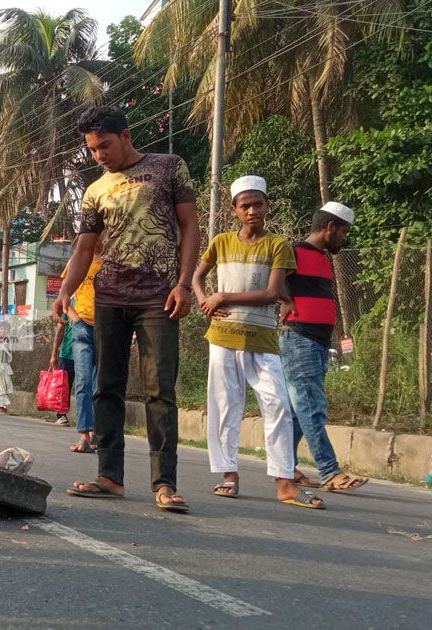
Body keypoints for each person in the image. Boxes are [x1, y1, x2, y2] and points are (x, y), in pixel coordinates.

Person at [55, 106, 196, 513]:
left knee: (159, 391)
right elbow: (84, 248)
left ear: (126, 136)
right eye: (93, 149)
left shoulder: (168, 167)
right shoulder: (95, 191)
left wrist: (184, 284)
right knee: (106, 387)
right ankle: (109, 476)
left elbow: (190, 226)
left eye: (105, 146)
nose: (100, 155)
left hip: (159, 296)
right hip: (109, 297)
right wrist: (66, 290)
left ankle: (165, 483)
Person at [192, 175, 323, 509]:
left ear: (266, 207)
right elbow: (196, 276)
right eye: (245, 205)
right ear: (234, 209)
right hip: (222, 336)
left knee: (277, 403)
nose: (252, 211)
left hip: (262, 338)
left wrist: (221, 296)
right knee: (224, 404)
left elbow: (271, 293)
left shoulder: (277, 245)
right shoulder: (221, 242)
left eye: (258, 204)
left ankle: (284, 481)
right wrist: (203, 298)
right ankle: (228, 474)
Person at [280, 202, 369, 493]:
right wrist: (283, 300)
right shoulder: (293, 252)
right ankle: (330, 471)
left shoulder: (321, 258)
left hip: (317, 341)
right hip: (300, 339)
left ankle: (287, 467)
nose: (344, 238)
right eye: (343, 232)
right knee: (311, 407)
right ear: (330, 227)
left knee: (298, 409)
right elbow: (272, 279)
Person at [67, 242, 103, 451]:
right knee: (83, 381)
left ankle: (96, 433)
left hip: (106, 328)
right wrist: (75, 319)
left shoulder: (111, 263)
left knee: (101, 384)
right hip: (82, 327)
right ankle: (84, 436)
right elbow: (64, 293)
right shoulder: (77, 260)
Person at [48, 311, 74, 425]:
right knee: (64, 386)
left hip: (88, 354)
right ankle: (61, 414)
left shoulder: (92, 305)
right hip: (68, 354)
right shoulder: (68, 308)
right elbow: (59, 332)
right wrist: (54, 355)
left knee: (87, 386)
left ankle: (91, 419)